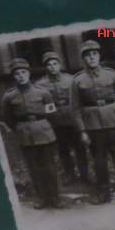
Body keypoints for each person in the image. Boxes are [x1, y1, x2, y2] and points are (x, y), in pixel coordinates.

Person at [71, 40, 115, 204]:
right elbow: (75, 108)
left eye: (94, 54)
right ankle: (103, 194)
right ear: (83, 59)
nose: (91, 58)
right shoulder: (78, 80)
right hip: (94, 127)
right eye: (88, 55)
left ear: (99, 56)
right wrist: (82, 131)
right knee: (99, 162)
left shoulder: (112, 75)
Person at [0, 58, 63, 210]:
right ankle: (42, 198)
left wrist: (46, 127)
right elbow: (7, 118)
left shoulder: (43, 92)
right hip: (25, 135)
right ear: (13, 76)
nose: (21, 76)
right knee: (34, 168)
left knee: (50, 167)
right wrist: (20, 128)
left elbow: (52, 114)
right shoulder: (9, 96)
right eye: (17, 73)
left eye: (23, 72)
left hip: (44, 133)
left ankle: (55, 198)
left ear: (28, 73)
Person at [35, 50, 89, 184]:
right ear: (45, 67)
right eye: (49, 65)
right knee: (63, 150)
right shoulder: (40, 84)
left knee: (80, 148)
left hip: (73, 119)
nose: (52, 67)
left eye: (55, 64)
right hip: (55, 121)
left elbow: (80, 100)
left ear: (59, 65)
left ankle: (85, 175)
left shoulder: (71, 79)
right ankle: (69, 175)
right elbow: (41, 104)